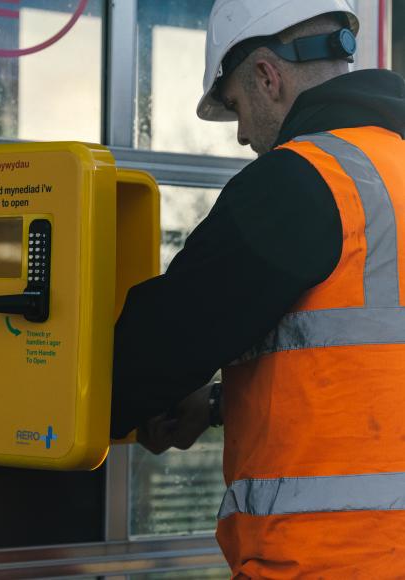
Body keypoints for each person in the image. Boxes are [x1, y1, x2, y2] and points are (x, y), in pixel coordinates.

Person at [110, 0, 405, 576]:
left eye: (239, 107)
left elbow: (152, 351)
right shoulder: (389, 173)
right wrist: (219, 403)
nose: (243, 135)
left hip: (332, 559)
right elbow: (370, 371)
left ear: (268, 76)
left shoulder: (302, 181)